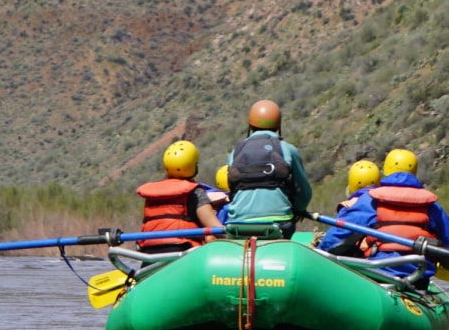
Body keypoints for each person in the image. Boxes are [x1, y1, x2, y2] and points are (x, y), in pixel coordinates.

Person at [336, 148, 449, 275]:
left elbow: (338, 234)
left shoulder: (371, 201)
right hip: (418, 276)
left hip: (379, 271)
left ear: (386, 171)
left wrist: (321, 253)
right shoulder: (432, 207)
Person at [222, 99, 311, 237]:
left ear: (250, 125)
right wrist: (298, 209)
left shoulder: (235, 152)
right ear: (278, 125)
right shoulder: (287, 149)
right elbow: (304, 194)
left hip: (238, 223)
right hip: (279, 223)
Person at [133, 140, 222, 252]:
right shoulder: (195, 192)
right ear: (193, 167)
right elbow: (216, 229)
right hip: (182, 252)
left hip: (149, 253)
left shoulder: (153, 195)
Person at [315, 159, 382, 253]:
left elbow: (335, 236)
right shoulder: (384, 202)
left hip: (362, 257)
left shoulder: (352, 206)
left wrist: (319, 249)